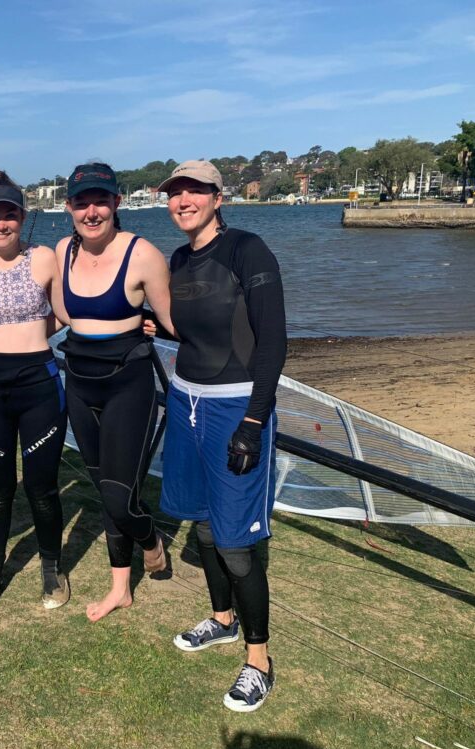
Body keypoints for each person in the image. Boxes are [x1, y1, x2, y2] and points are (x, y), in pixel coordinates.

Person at [157, 160, 286, 712]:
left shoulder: (248, 250)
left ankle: (259, 661)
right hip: (185, 399)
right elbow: (193, 327)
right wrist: (153, 325)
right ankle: (223, 620)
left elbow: (273, 340)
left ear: (216, 196)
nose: (182, 199)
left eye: (193, 191)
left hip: (235, 407)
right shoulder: (179, 258)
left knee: (235, 542)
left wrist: (253, 422)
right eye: (174, 192)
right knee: (205, 525)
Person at [53, 162, 175, 623]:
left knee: (120, 496)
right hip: (80, 382)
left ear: (116, 203)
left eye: (100, 200)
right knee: (104, 489)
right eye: (81, 202)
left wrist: (158, 324)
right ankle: (120, 589)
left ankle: (151, 541)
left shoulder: (142, 254)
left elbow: (171, 320)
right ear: (68, 208)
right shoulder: (63, 249)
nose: (91, 211)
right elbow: (64, 315)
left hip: (128, 382)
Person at [0, 170, 70, 612]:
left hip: (39, 385)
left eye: (10, 215)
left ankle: (51, 569)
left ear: (22, 216)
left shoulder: (44, 258)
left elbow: (66, 311)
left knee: (42, 487)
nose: (1, 224)